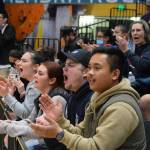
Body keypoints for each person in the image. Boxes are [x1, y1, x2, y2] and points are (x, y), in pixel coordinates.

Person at [30, 46, 146, 150]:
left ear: (115, 74)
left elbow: (95, 147)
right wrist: (60, 120)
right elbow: (81, 132)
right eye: (89, 67)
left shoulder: (121, 108)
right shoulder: (98, 97)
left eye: (97, 68)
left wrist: (59, 133)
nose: (89, 73)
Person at [0, 61, 69, 149]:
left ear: (52, 80)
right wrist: (10, 123)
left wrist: (6, 126)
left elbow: (39, 130)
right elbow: (30, 120)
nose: (35, 76)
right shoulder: (42, 93)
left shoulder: (57, 99)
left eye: (40, 74)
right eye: (36, 72)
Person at [0, 51, 43, 119]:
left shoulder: (35, 86)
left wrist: (6, 95)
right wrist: (10, 92)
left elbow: (25, 115)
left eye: (24, 61)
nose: (18, 63)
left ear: (35, 66)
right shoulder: (31, 82)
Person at [116, 20, 150, 96]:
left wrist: (126, 50)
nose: (135, 33)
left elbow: (143, 65)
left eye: (138, 30)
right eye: (133, 30)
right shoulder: (133, 47)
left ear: (145, 33)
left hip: (145, 91)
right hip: (134, 86)